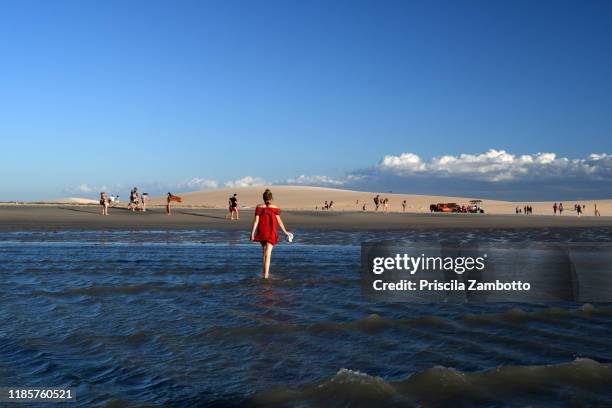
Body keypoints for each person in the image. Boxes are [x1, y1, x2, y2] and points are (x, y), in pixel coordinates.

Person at [250, 189, 291, 279]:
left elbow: (256, 221)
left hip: (262, 231)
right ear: (271, 198)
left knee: (264, 252)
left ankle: (264, 272)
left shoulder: (259, 207)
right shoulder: (275, 208)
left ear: (263, 198)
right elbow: (279, 221)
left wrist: (252, 233)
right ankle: (266, 275)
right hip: (271, 232)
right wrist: (285, 232)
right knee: (268, 253)